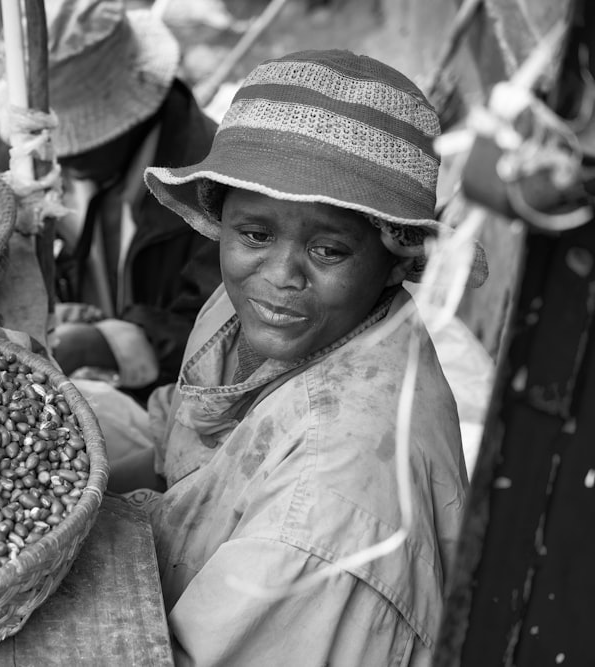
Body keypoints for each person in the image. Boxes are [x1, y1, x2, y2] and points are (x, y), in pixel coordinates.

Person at [113, 49, 488, 665]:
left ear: (397, 259)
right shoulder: (250, 310)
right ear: (224, 222)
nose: (281, 275)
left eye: (329, 250)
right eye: (255, 235)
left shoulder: (326, 509)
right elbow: (177, 436)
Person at [26, 0, 223, 405]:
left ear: (126, 121)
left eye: (77, 145)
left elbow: (222, 334)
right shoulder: (86, 168)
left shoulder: (214, 192)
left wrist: (103, 342)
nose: (61, 159)